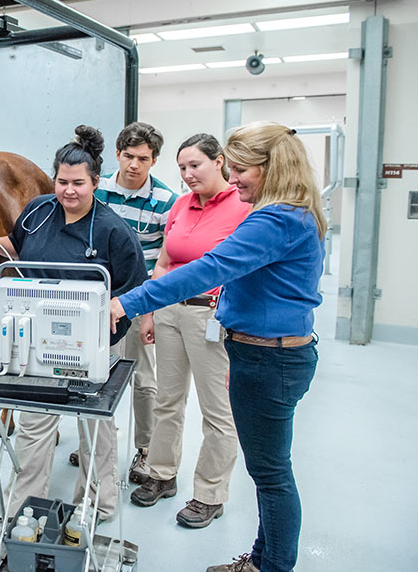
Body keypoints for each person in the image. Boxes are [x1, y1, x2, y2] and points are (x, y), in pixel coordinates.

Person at [111, 122, 325, 572]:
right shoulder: (294, 213)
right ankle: (263, 559)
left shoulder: (275, 219)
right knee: (268, 473)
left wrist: (128, 303)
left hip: (269, 358)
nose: (236, 176)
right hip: (268, 352)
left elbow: (209, 268)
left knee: (271, 476)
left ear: (272, 168)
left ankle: (272, 565)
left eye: (243, 169)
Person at [0, 125, 148, 522]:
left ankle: (98, 505)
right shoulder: (38, 210)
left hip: (95, 342)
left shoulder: (113, 231)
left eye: (78, 183)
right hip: (36, 342)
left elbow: (134, 288)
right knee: (34, 425)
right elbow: (18, 248)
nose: (69, 190)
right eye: (62, 181)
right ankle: (24, 508)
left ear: (95, 183)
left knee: (94, 426)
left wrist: (116, 316)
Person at [128, 133, 249, 529]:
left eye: (195, 165)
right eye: (181, 168)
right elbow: (163, 263)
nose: (187, 174)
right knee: (167, 400)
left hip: (212, 316)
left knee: (218, 411)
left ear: (219, 162)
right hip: (169, 313)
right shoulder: (180, 204)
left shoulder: (243, 206)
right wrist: (149, 313)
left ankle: (209, 495)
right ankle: (162, 474)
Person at [87, 121, 177, 485]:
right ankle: (95, 440)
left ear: (154, 160)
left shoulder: (165, 202)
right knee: (93, 374)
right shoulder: (97, 190)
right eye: (128, 156)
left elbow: (165, 263)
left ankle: (145, 448)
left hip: (139, 301)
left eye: (143, 158)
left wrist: (148, 313)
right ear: (118, 155)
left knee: (143, 379)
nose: (134, 165)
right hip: (96, 303)